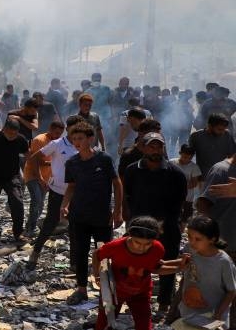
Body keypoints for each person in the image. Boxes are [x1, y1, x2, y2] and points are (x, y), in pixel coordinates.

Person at [68, 217, 186, 330]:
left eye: (147, 244)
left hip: (140, 294)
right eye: (137, 243)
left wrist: (179, 266)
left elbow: (155, 267)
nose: (142, 248)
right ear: (129, 236)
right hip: (113, 293)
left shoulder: (157, 249)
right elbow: (97, 255)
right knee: (103, 329)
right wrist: (97, 277)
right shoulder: (116, 247)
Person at [122, 132, 188, 312]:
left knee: (168, 262)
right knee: (137, 264)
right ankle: (136, 299)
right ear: (143, 148)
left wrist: (179, 222)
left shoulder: (176, 174)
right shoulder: (132, 170)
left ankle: (164, 303)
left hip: (167, 227)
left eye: (159, 146)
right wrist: (124, 216)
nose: (156, 150)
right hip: (139, 227)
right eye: (151, 146)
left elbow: (182, 201)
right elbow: (126, 196)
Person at [59, 121, 123, 305]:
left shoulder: (103, 159)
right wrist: (64, 204)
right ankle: (81, 289)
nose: (77, 142)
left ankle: (107, 289)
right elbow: (71, 186)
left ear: (90, 138)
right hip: (79, 215)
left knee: (104, 252)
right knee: (80, 252)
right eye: (74, 139)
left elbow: (117, 184)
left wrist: (117, 212)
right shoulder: (72, 163)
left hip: (101, 216)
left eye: (80, 138)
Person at [27, 116, 80, 267]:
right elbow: (34, 158)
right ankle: (35, 253)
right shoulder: (57, 144)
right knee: (50, 223)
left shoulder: (82, 145)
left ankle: (74, 262)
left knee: (75, 227)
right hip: (58, 191)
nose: (76, 131)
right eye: (73, 128)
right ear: (67, 129)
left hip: (76, 193)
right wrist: (40, 178)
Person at [24, 119, 64, 236]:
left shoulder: (58, 142)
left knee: (41, 203)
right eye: (56, 133)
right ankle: (30, 229)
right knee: (36, 200)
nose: (58, 136)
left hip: (46, 178)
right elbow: (33, 160)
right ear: (50, 130)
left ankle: (31, 225)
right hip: (32, 175)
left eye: (60, 134)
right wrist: (40, 177)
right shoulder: (39, 140)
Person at [188, 114, 236, 178]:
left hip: (221, 176)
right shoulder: (196, 136)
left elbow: (232, 155)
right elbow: (188, 157)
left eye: (224, 129)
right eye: (219, 129)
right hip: (203, 176)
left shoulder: (227, 135)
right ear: (210, 126)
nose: (222, 132)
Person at [173, 144, 202, 224]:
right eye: (185, 157)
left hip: (187, 197)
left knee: (185, 218)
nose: (187, 160)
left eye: (190, 158)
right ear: (180, 153)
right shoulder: (172, 163)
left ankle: (182, 233)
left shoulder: (194, 167)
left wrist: (179, 186)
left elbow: (194, 183)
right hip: (173, 196)